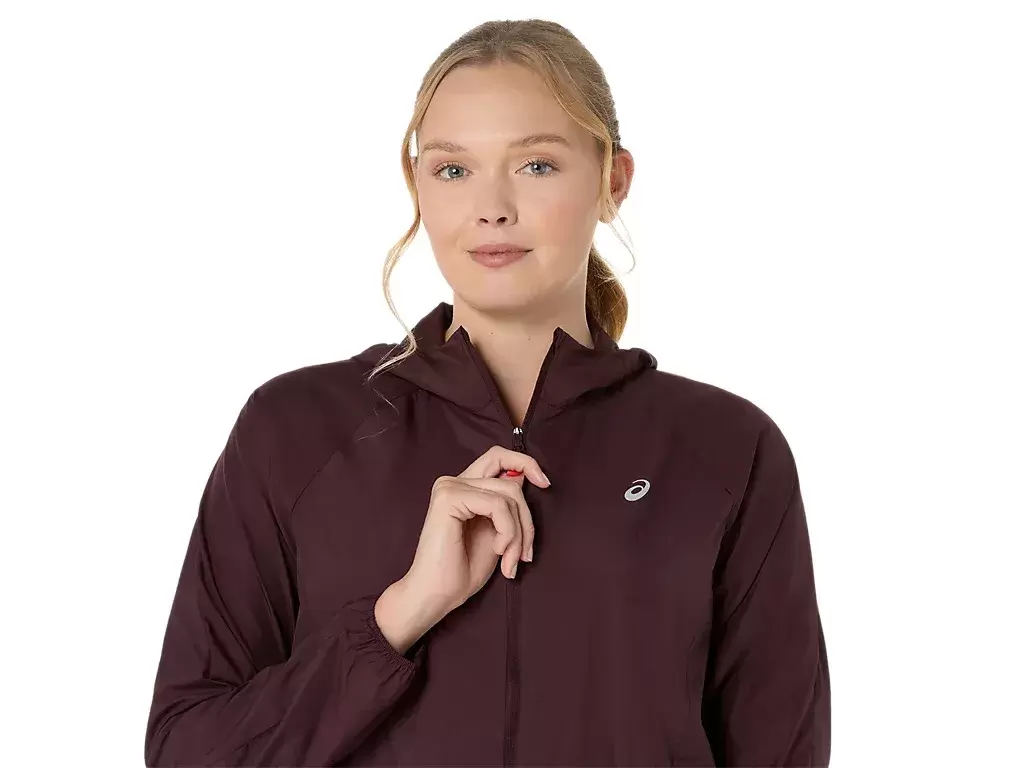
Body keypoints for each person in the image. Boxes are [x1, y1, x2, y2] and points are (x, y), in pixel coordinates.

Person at [144, 18, 830, 768]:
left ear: (613, 182)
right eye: (453, 170)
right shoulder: (295, 431)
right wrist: (400, 613)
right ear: (417, 185)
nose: (492, 206)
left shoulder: (724, 449)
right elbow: (188, 751)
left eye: (536, 165)